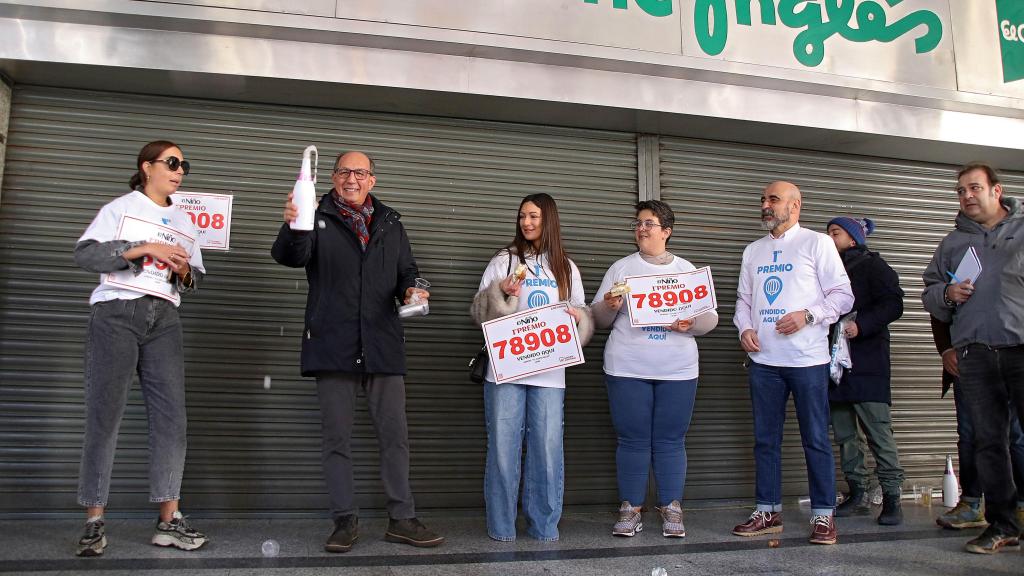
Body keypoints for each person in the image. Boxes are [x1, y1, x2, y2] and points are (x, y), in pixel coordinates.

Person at [271, 151, 443, 552]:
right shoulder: (315, 213)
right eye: (345, 172)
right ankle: (344, 522)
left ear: (372, 180)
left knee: (395, 437)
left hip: (383, 343)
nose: (352, 179)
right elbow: (289, 258)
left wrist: (414, 288)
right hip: (332, 344)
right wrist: (294, 224)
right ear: (332, 177)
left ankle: (402, 519)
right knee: (337, 440)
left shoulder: (391, 222)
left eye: (360, 173)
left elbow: (408, 270)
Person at [73, 140, 207, 556]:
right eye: (171, 162)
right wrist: (144, 248)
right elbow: (86, 254)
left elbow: (196, 278)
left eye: (183, 164)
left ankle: (169, 520)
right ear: (146, 167)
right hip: (116, 312)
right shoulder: (120, 208)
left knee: (172, 419)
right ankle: (94, 522)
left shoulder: (186, 222)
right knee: (105, 416)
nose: (179, 169)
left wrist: (184, 269)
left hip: (164, 318)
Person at [732, 181, 853, 545]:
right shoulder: (752, 251)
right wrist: (745, 329)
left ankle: (823, 516)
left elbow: (843, 296)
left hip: (807, 362)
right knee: (765, 440)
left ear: (795, 206)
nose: (765, 205)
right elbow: (743, 300)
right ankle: (768, 511)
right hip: (763, 362)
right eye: (763, 199)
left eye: (773, 199)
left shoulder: (817, 243)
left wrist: (809, 316)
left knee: (815, 438)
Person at [590, 200, 718, 538]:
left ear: (666, 231)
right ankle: (630, 508)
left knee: (671, 439)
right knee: (631, 439)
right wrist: (608, 306)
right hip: (627, 367)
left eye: (649, 223)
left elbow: (710, 319)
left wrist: (690, 322)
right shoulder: (621, 268)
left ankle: (671, 506)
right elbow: (598, 319)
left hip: (677, 369)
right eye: (637, 223)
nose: (641, 228)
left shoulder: (686, 270)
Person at [470, 193, 592, 542]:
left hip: (550, 374)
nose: (526, 223)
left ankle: (544, 528)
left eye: (534, 217)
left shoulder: (566, 267)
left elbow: (582, 315)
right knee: (503, 449)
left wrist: (577, 318)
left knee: (548, 450)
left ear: (549, 220)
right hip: (505, 371)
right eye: (522, 216)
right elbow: (479, 313)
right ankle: (502, 528)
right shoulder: (503, 261)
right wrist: (501, 293)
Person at [922, 162, 1024, 554]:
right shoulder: (952, 244)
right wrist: (947, 295)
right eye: (960, 190)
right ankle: (1002, 524)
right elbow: (929, 293)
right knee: (987, 441)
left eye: (974, 188)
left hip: (1019, 348)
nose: (966, 196)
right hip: (975, 355)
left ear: (996, 191)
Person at [824, 217, 905, 526]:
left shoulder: (874, 266)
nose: (829, 238)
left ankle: (892, 496)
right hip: (834, 366)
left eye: (835, 233)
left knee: (878, 432)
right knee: (845, 434)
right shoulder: (827, 270)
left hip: (868, 363)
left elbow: (894, 303)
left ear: (854, 238)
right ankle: (857, 493)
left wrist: (863, 325)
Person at [930, 316, 1024, 531]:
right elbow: (938, 307)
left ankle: (1020, 506)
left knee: (1017, 436)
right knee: (970, 434)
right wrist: (945, 349)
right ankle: (971, 503)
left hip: (1015, 351)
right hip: (970, 357)